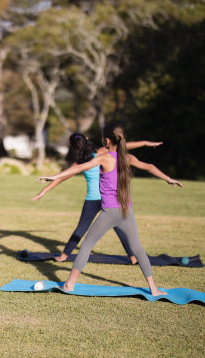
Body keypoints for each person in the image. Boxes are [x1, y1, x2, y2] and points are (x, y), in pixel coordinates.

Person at [37, 124, 182, 296]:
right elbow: (149, 166)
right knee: (137, 248)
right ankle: (154, 289)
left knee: (87, 245)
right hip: (127, 211)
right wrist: (168, 178)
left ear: (106, 140)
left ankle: (69, 284)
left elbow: (78, 167)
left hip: (110, 212)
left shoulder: (104, 158)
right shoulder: (128, 158)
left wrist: (54, 176)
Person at [32, 133, 162, 263]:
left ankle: (63, 256)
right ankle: (133, 257)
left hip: (92, 199)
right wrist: (144, 142)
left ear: (74, 147)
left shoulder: (79, 163)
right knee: (119, 227)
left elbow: (60, 178)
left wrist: (43, 191)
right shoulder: (101, 152)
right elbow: (123, 145)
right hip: (110, 198)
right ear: (87, 140)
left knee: (82, 227)